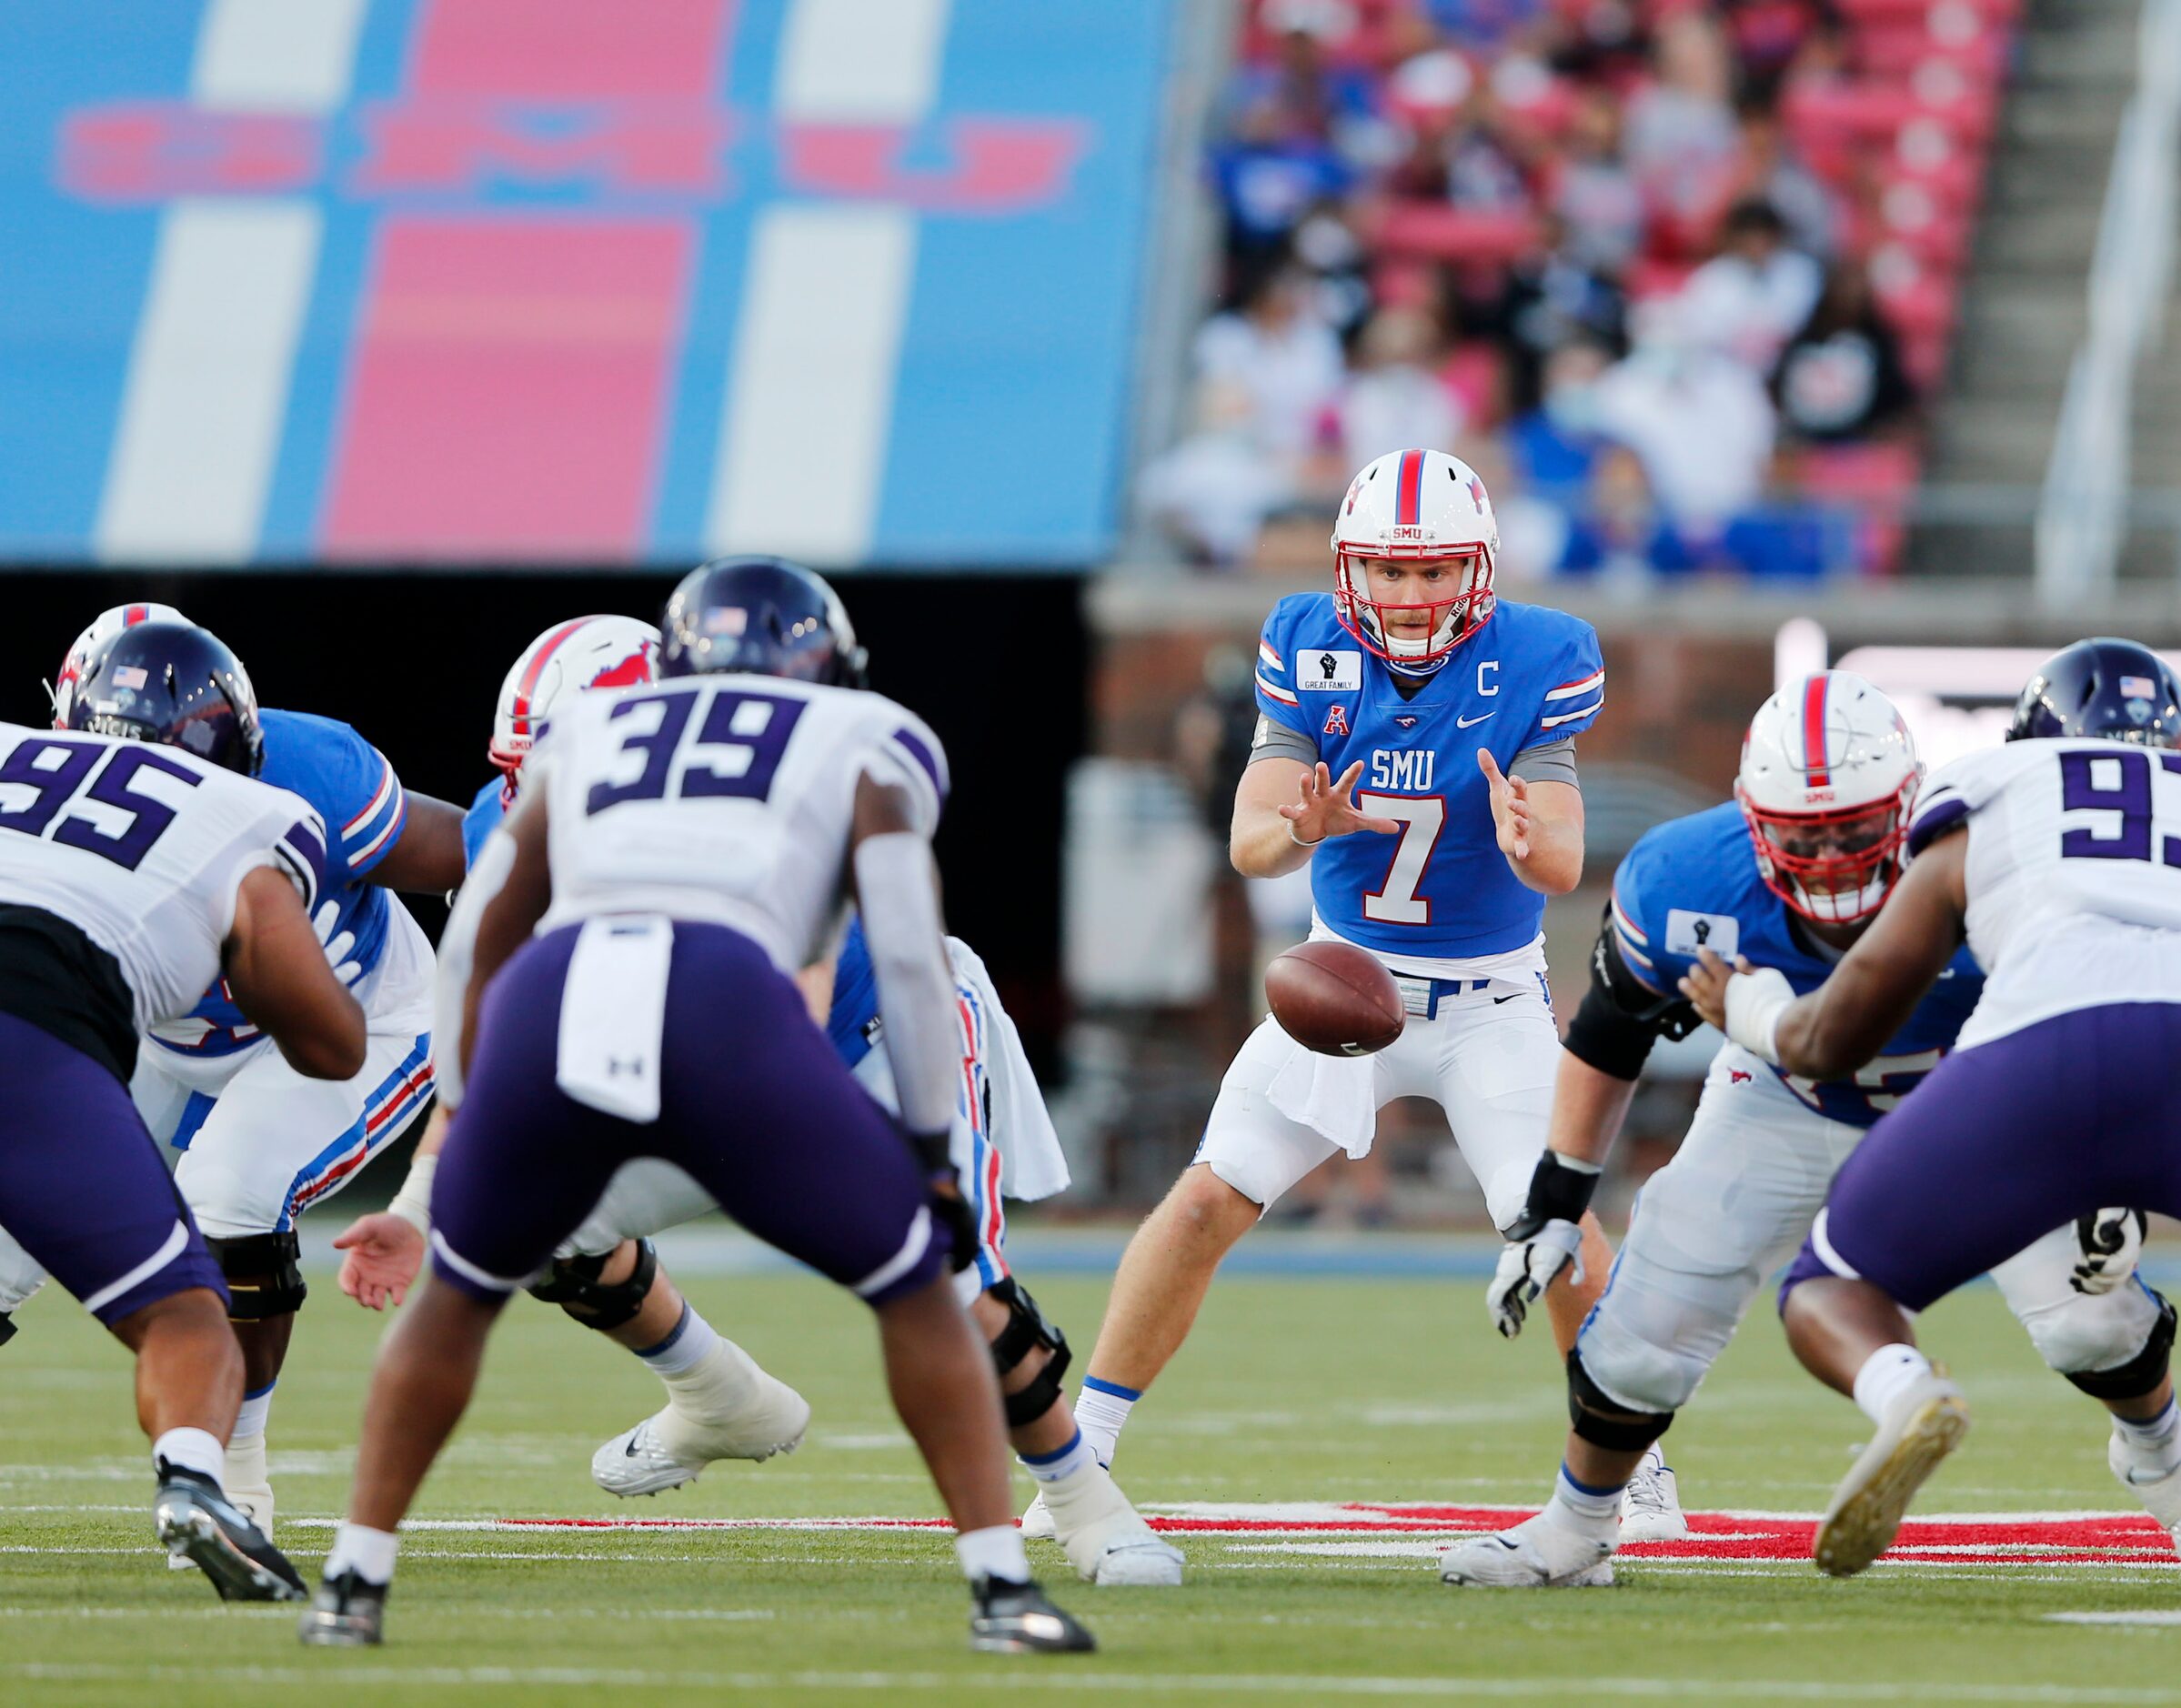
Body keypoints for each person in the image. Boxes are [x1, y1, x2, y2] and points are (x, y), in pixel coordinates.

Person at [301, 558, 1093, 1654]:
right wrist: (927, 1152)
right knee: (917, 1287)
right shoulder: (869, 736)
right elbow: (909, 957)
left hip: (559, 1000)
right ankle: (1002, 1590)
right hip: (725, 997)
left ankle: (352, 1580)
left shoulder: (578, 741)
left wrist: (463, 1124)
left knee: (460, 1292)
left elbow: (477, 946)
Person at [1441, 670, 2173, 1587]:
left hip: (1969, 1100)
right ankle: (1575, 1529)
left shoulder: (1982, 851)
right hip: (1786, 1096)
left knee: (2091, 1327)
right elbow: (1609, 1030)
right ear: (1751, 818)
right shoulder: (1684, 876)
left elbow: (2079, 1028)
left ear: (1907, 805)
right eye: (1802, 834)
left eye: (1858, 829)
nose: (1829, 856)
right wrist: (1558, 1196)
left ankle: (2163, 1462)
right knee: (1644, 1326)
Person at [1046, 447, 1618, 1545]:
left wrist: (1526, 838)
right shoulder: (1309, 643)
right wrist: (1303, 826)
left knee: (1556, 1231)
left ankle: (1630, 1469)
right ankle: (1083, 1455)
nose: (1410, 596)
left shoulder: (1540, 657)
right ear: (1352, 573)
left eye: (1434, 571)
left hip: (1488, 1003)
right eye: (1389, 574)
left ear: (1479, 570)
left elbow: (1559, 863)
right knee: (1208, 1198)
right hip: (1340, 982)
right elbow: (1252, 842)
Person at [1683, 640, 2181, 1577]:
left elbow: (1838, 1034)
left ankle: (1906, 1391)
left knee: (1831, 1287)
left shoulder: (1995, 784)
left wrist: (1750, 1010)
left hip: (2051, 1046)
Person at [0, 602, 467, 1546]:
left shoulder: (307, 778)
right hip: (159, 1026)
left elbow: (464, 854)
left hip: (351, 1014)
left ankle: (236, 1465)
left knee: (230, 1198)